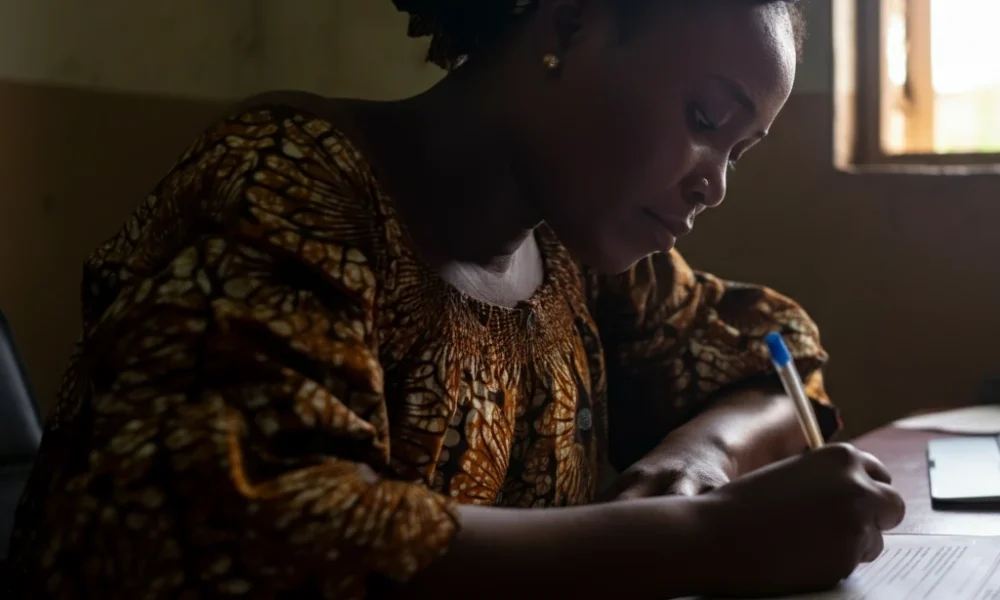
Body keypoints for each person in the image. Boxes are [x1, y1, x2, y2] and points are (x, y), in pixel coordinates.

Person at [8, 0, 905, 598]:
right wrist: (710, 538)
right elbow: (267, 533)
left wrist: (699, 464)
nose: (713, 185)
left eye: (739, 152)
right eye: (707, 120)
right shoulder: (289, 186)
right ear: (572, 24)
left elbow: (770, 351)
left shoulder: (575, 249)